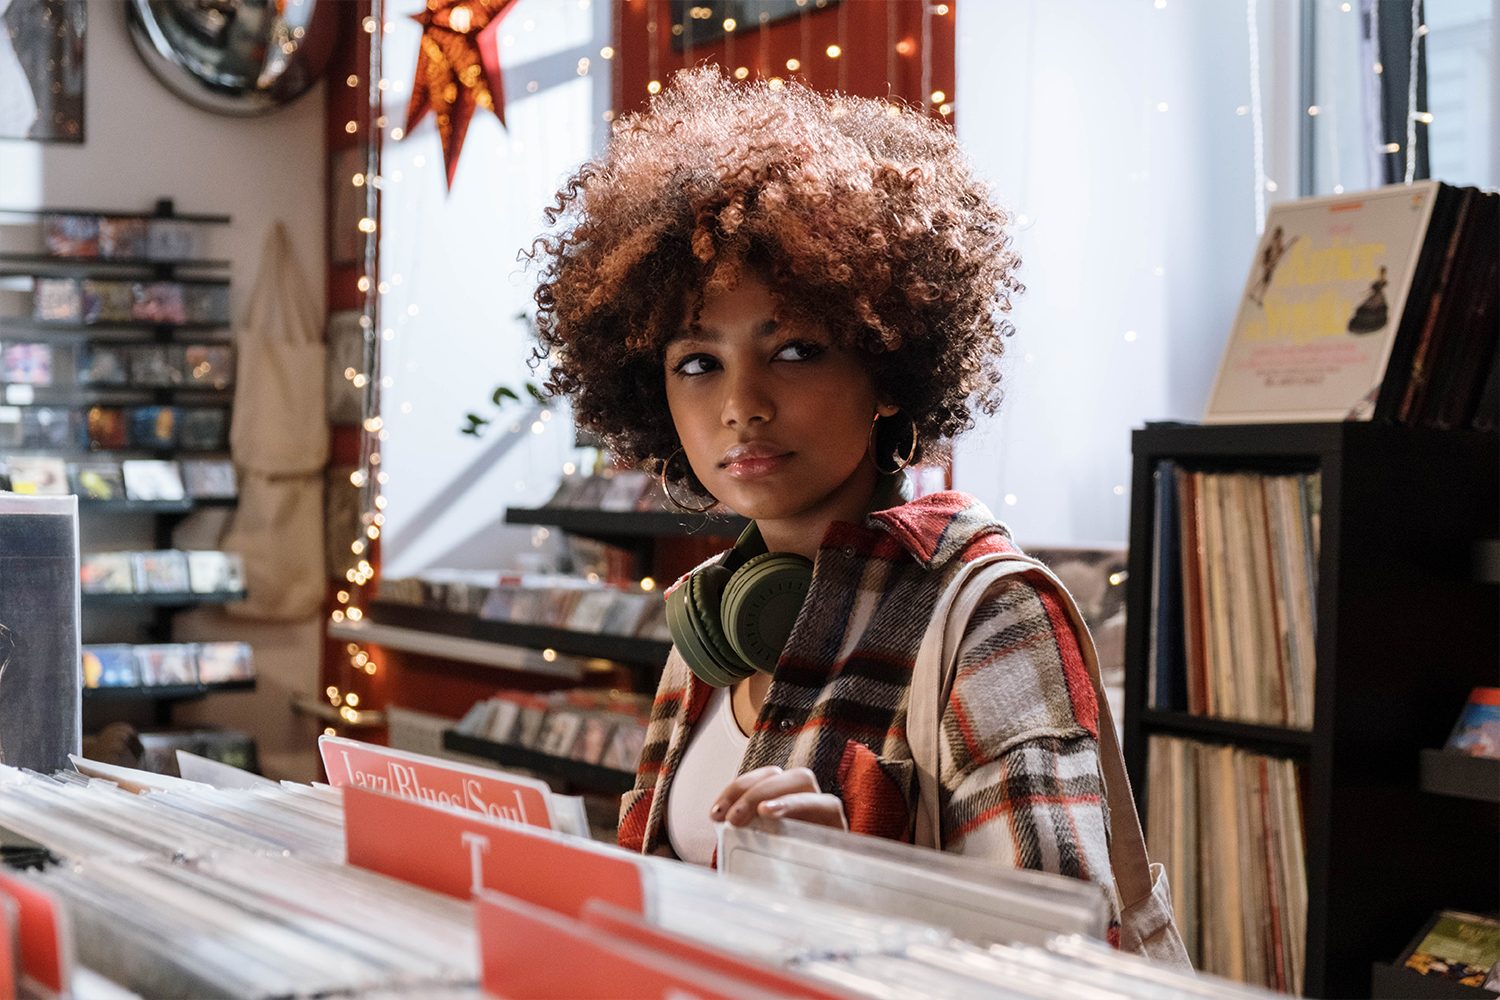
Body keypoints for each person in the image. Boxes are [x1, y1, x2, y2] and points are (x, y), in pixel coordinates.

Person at [529, 68, 1116, 907]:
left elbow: (1061, 949)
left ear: (887, 372)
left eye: (796, 350)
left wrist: (855, 880)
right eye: (698, 363)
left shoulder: (986, 614)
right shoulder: (708, 626)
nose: (741, 406)